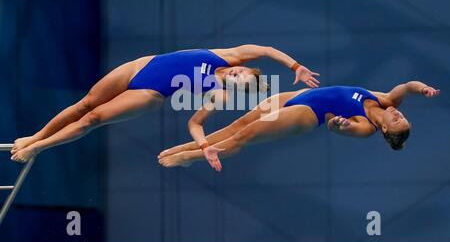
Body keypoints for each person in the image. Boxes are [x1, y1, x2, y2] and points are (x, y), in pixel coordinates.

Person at [10, 44, 319, 163]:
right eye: (243, 72)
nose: (238, 73)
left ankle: (39, 148)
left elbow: (195, 123)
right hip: (140, 65)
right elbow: (265, 50)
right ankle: (36, 136)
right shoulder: (230, 55)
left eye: (240, 81)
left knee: (92, 118)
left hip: (149, 93)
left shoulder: (218, 94)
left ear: (235, 88)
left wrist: (203, 147)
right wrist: (295, 67)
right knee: (84, 104)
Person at [158, 81, 440, 172]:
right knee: (240, 122)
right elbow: (407, 86)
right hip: (296, 96)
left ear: (388, 131)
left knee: (246, 134)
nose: (396, 114)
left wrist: (339, 126)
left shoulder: (367, 127)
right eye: (401, 115)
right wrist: (423, 89)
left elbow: (336, 128)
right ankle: (189, 145)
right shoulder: (385, 99)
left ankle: (191, 157)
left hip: (308, 113)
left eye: (398, 120)